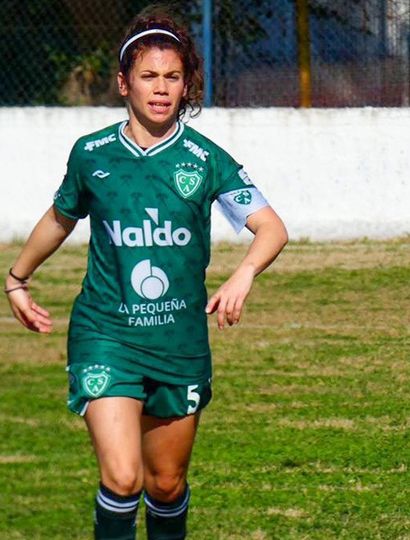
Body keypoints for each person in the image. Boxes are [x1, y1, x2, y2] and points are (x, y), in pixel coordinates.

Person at [4, 5, 288, 540]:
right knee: (123, 476)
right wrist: (17, 278)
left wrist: (243, 274)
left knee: (165, 483)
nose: (161, 89)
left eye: (173, 77)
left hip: (179, 342)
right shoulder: (92, 154)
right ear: (123, 83)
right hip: (105, 334)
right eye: (148, 76)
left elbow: (271, 227)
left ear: (186, 87)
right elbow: (60, 217)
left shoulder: (205, 160)